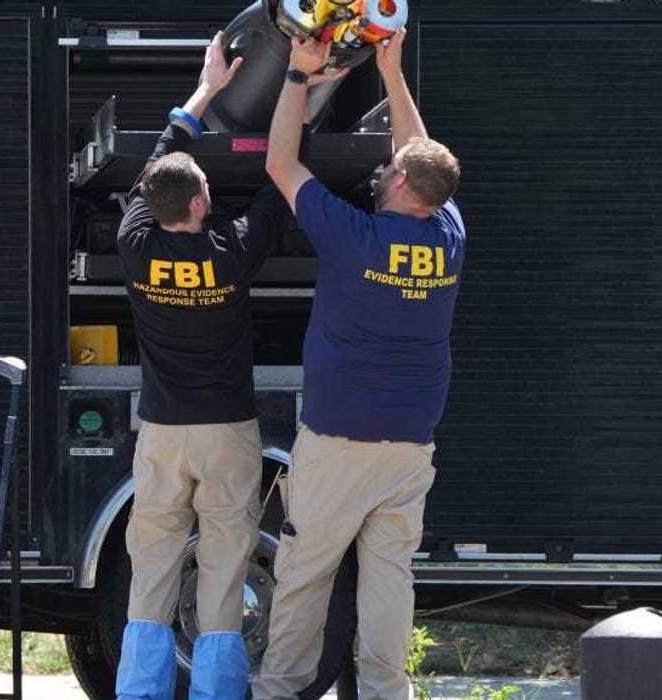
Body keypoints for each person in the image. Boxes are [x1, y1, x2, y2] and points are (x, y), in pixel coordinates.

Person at [113, 32, 342, 700]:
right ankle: (217, 692)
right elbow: (281, 176)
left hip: (161, 433)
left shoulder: (133, 244)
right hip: (227, 433)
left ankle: (139, 692)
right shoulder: (233, 254)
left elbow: (161, 155)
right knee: (222, 564)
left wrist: (207, 88)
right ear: (199, 204)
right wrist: (308, 89)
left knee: (152, 563)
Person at [253, 29, 465, 700]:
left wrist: (295, 73)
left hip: (339, 437)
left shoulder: (355, 236)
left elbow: (280, 163)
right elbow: (420, 152)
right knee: (387, 579)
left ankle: (278, 690)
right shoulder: (447, 237)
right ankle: (383, 693)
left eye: (392, 166)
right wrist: (391, 72)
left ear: (399, 179)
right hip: (408, 443)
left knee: (305, 572)